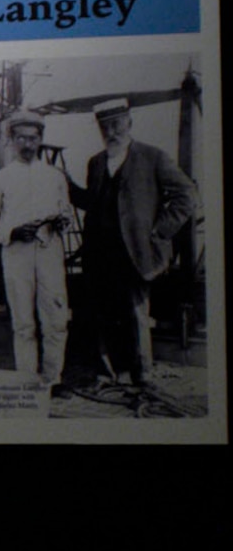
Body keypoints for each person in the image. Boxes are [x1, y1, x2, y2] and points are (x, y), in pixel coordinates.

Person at [70, 98, 197, 388]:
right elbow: (92, 202)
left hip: (135, 251)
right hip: (100, 253)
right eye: (105, 126)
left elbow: (186, 195)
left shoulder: (153, 157)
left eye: (116, 124)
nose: (111, 131)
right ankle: (108, 373)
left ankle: (143, 374)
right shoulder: (96, 162)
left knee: (136, 312)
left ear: (129, 123)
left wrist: (159, 231)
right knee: (103, 312)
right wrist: (65, 185)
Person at [0, 110, 72, 395]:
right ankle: (28, 381)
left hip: (49, 253)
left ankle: (52, 378)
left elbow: (66, 211)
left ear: (40, 140)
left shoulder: (55, 176)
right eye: (21, 138)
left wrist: (62, 221)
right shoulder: (1, 179)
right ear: (12, 140)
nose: (28, 145)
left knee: (55, 319)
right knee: (23, 322)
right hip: (17, 256)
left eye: (33, 138)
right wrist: (11, 233)